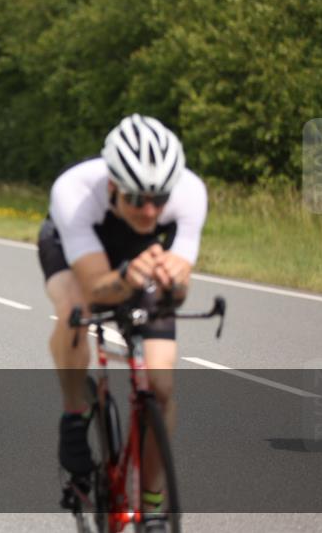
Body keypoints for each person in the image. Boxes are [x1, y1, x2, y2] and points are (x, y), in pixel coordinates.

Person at [39, 114, 207, 518]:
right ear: (114, 185)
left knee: (161, 387)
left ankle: (151, 508)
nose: (150, 212)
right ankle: (74, 416)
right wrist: (128, 277)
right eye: (136, 199)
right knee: (74, 311)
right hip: (77, 253)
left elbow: (178, 294)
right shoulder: (74, 190)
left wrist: (175, 282)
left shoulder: (191, 192)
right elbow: (98, 288)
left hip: (142, 259)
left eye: (159, 199)